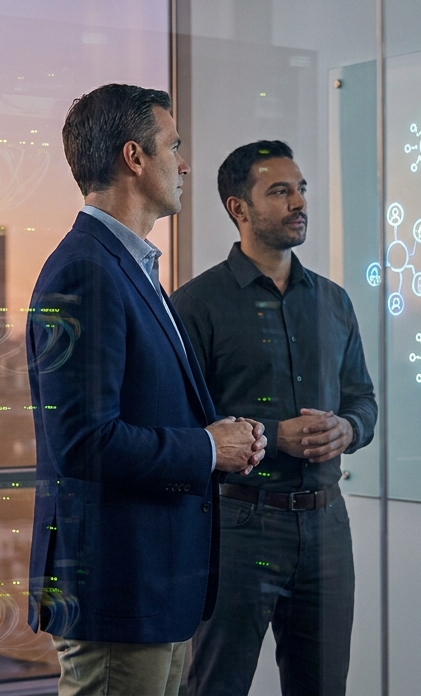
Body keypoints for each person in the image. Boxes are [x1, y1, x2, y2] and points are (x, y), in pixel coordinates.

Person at [26, 84, 268, 696]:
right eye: (174, 146)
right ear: (135, 158)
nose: (185, 164)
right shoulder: (85, 271)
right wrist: (209, 449)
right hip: (117, 588)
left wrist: (223, 439)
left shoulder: (126, 267)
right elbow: (84, 442)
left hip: (150, 586)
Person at [175, 141, 378, 696]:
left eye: (301, 188)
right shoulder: (196, 305)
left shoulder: (334, 302)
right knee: (216, 686)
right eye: (280, 191)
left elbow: (364, 399)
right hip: (237, 527)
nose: (298, 202)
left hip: (326, 527)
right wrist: (271, 434)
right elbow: (177, 421)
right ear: (238, 208)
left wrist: (349, 428)